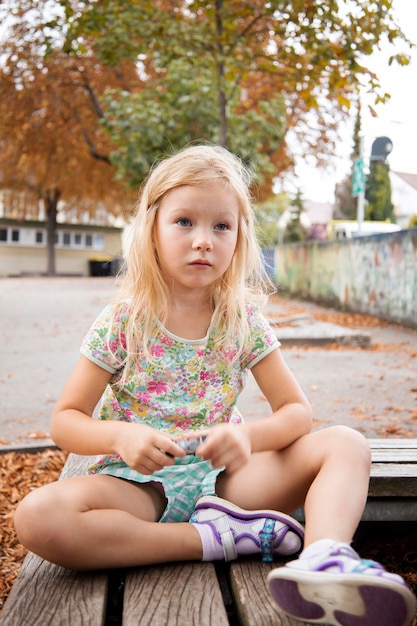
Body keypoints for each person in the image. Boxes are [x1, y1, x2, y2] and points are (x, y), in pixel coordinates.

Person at [14, 144, 415, 626]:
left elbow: (296, 412)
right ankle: (216, 540)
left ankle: (324, 559)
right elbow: (66, 419)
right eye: (184, 221)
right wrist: (121, 435)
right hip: (138, 488)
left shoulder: (242, 320)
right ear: (152, 231)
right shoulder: (123, 321)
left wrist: (246, 437)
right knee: (37, 518)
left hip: (226, 485)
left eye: (221, 226)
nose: (203, 240)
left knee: (346, 444)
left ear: (239, 238)